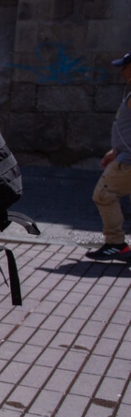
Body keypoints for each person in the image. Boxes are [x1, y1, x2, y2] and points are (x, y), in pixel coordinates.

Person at [86, 52, 131, 261]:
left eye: (124, 66)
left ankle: (115, 243)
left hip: (128, 161)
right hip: (124, 156)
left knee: (104, 194)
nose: (121, 71)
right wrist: (115, 151)